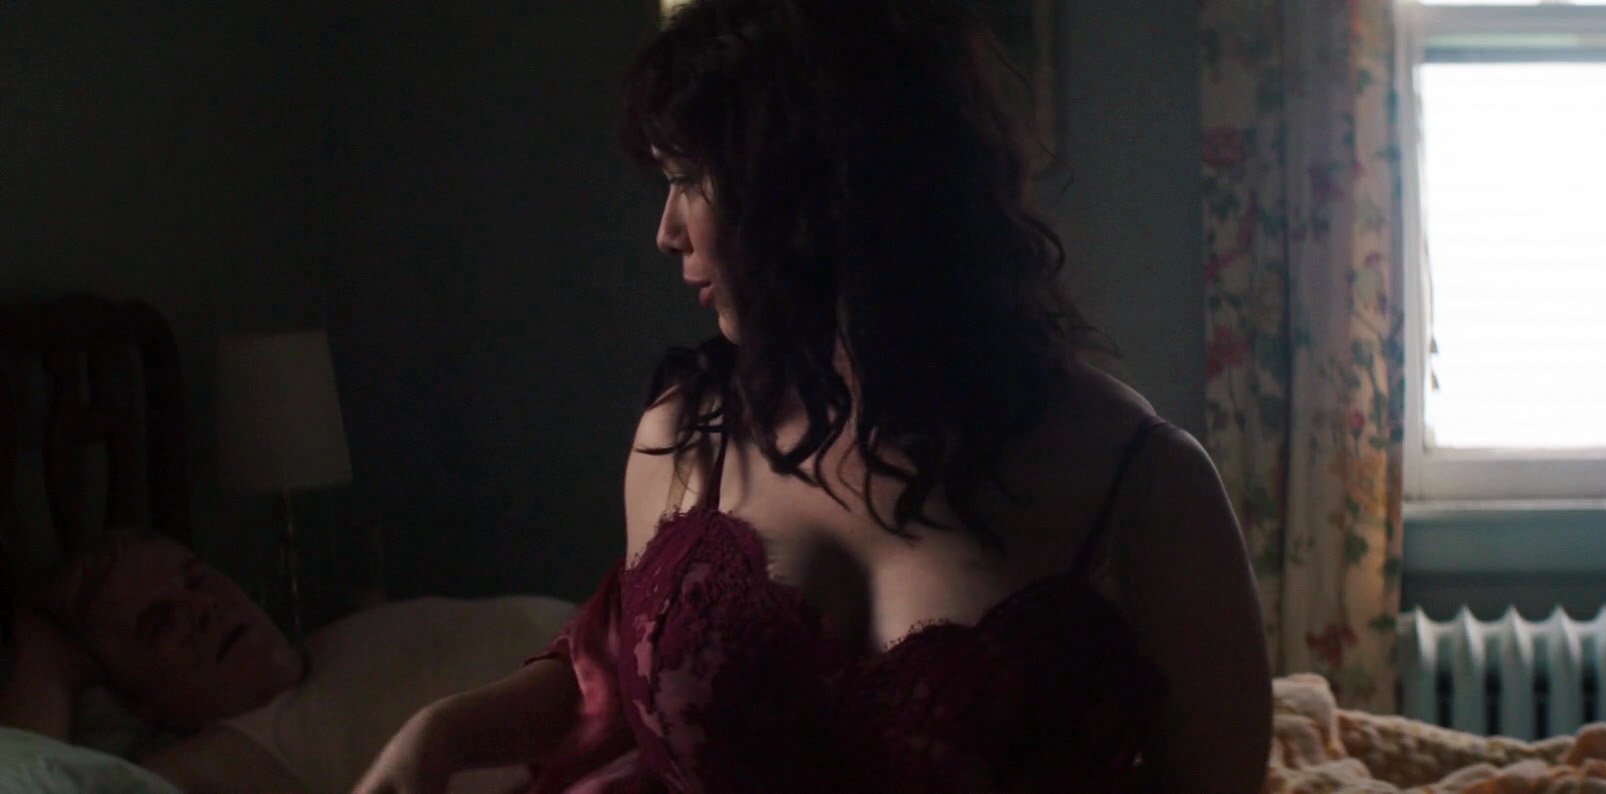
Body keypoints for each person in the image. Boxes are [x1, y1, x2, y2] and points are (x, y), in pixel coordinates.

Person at [353, 0, 1274, 792]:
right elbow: (617, 676)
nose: (666, 231)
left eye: (689, 180)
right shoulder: (685, 441)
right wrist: (439, 734)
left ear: (812, 188)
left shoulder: (1143, 487)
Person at [1, 529, 574, 794]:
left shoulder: (339, 637)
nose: (202, 609)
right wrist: (43, 656)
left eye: (197, 580)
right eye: (161, 624)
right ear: (138, 702)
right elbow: (31, 776)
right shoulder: (209, 763)